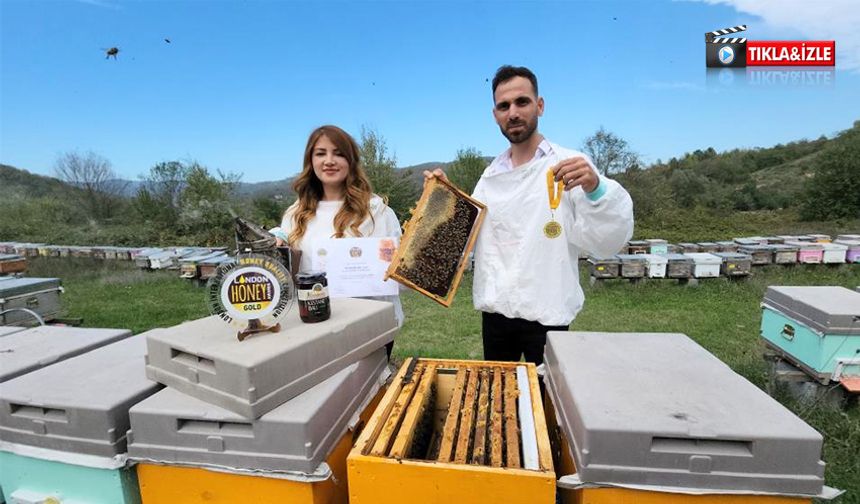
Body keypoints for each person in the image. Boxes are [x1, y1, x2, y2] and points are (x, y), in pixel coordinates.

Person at [425, 65, 634, 365]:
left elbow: (605, 241)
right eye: (503, 106)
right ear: (495, 114)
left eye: (522, 102)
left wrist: (596, 188)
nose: (513, 112)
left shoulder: (570, 164)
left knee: (547, 402)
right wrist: (443, 200)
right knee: (498, 403)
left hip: (548, 315)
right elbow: (466, 238)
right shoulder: (488, 176)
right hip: (496, 316)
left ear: (540, 105)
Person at [272, 125, 404, 355]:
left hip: (370, 328)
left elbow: (400, 274)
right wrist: (274, 246)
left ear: (351, 161)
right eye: (320, 153)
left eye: (339, 153)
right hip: (313, 329)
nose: (329, 160)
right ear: (310, 161)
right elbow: (286, 275)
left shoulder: (378, 211)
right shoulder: (294, 215)